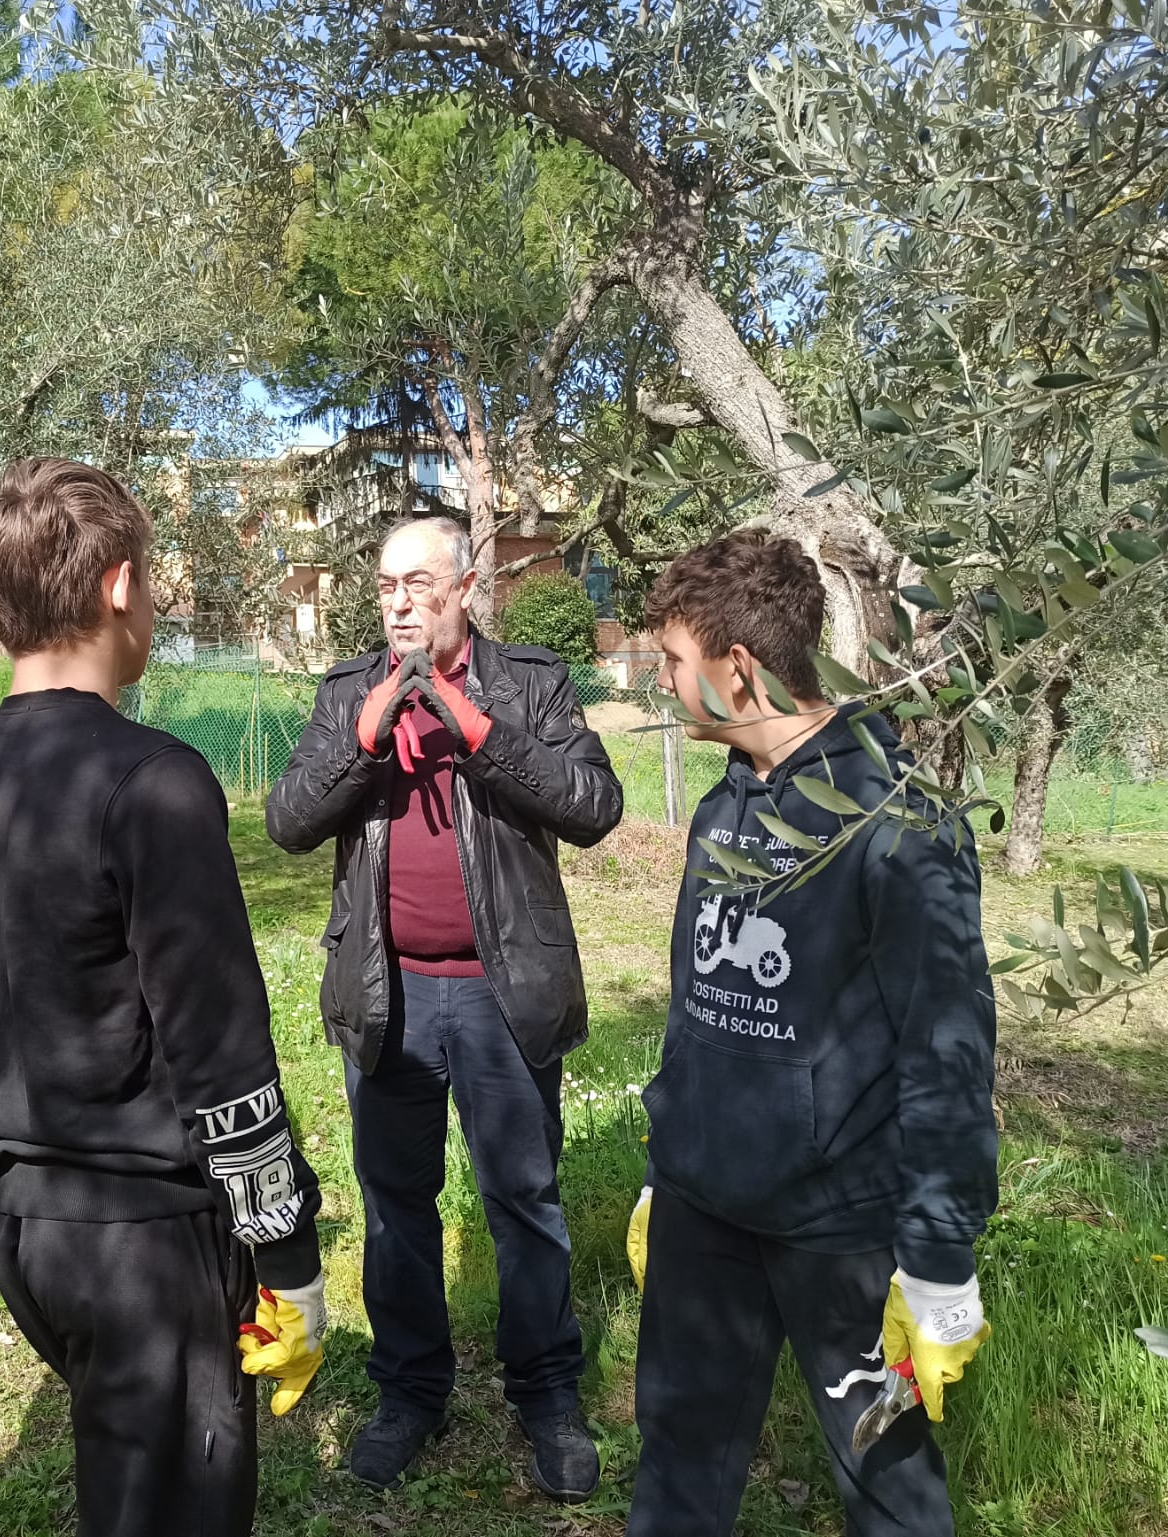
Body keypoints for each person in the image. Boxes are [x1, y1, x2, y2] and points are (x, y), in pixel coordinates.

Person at [0, 457, 327, 1537]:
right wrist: (285, 1251)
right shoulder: (152, 779)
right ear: (115, 584)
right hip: (143, 1241)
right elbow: (219, 1045)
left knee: (120, 1482)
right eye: (148, 581)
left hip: (25, 1229)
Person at [624, 529, 998, 1537]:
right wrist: (669, 1163)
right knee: (676, 1458)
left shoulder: (894, 820)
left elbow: (947, 1049)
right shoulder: (721, 808)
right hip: (705, 1213)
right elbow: (695, 1005)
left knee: (889, 1486)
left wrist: (934, 1255)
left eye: (671, 660)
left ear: (736, 669)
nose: (662, 681)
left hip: (843, 1233)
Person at [265, 516, 622, 1501]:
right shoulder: (347, 692)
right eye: (384, 582)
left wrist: (478, 736)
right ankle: (409, 1393)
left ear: (464, 586)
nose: (396, 599)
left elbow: (593, 806)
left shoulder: (527, 683)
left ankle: (546, 1395)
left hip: (504, 991)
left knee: (523, 1202)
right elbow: (287, 822)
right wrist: (363, 739)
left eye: (416, 581)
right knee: (394, 1207)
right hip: (391, 996)